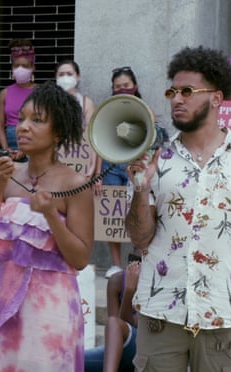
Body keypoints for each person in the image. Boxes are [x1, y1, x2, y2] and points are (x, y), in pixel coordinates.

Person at [125, 46, 231, 371]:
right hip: (160, 313)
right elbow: (140, 239)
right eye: (172, 91)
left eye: (187, 91)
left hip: (222, 315)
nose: (176, 99)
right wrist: (139, 188)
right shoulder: (155, 160)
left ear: (216, 98)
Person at [0, 81, 94, 370]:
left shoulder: (74, 184)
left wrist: (51, 214)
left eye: (37, 120)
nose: (23, 127)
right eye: (22, 118)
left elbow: (81, 257)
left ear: (58, 132)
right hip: (6, 302)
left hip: (51, 312)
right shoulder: (11, 176)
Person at [100, 66, 144, 279]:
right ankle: (116, 264)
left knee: (138, 212)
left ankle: (137, 261)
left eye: (126, 86)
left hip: (134, 167)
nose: (122, 89)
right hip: (110, 166)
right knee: (112, 214)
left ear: (134, 87)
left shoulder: (145, 111)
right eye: (118, 87)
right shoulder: (107, 112)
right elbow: (100, 142)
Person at [84, 261, 140, 372]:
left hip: (142, 347)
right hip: (120, 352)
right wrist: (128, 290)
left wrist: (129, 292)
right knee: (72, 360)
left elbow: (135, 326)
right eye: (136, 261)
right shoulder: (116, 280)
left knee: (114, 323)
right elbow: (116, 332)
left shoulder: (157, 282)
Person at [54, 60, 98, 181]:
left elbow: (92, 136)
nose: (65, 77)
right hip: (54, 162)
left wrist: (93, 165)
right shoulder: (49, 103)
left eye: (69, 74)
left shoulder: (86, 103)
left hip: (79, 165)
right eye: (61, 74)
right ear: (56, 77)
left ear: (78, 77)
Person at [0, 39, 36, 162]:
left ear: (33, 68)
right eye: (16, 66)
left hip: (34, 145)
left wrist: (25, 150)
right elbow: (0, 124)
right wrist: (6, 148)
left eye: (25, 66)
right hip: (10, 147)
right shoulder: (4, 93)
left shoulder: (41, 92)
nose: (20, 69)